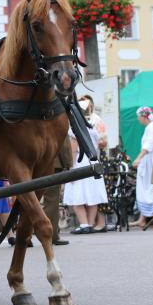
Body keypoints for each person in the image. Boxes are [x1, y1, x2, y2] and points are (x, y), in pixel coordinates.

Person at [63, 100, 109, 234]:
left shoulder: (74, 129)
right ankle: (89, 223)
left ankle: (84, 224)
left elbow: (73, 150)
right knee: (92, 196)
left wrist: (70, 167)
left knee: (77, 196)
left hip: (80, 162)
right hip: (93, 162)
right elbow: (100, 144)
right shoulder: (93, 127)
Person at [41, 137, 73, 245]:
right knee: (51, 201)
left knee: (29, 198)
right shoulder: (55, 119)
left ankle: (25, 233)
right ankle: (52, 235)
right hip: (52, 163)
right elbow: (63, 141)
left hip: (31, 163)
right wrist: (68, 163)